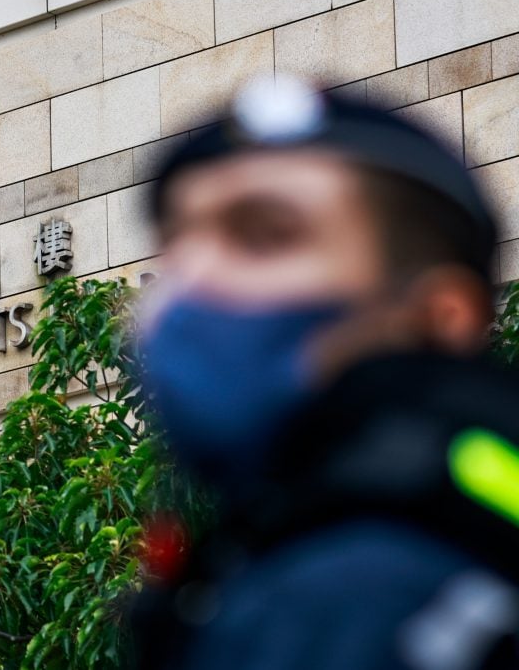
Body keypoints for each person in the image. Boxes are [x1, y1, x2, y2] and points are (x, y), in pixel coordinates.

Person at [133, 76, 519, 670]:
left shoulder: (354, 600)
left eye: (265, 235)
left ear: (440, 317)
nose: (193, 282)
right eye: (176, 243)